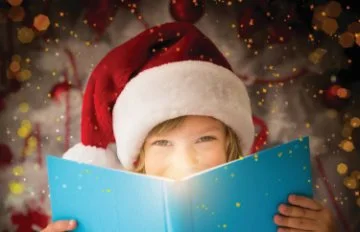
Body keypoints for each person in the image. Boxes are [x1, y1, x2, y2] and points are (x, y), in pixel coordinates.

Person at [42, 22, 336, 232]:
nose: (186, 162)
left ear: (229, 146)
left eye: (204, 139)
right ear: (138, 157)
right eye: (162, 143)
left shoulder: (275, 212)